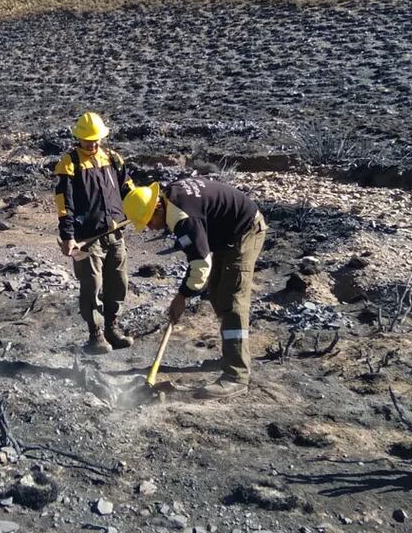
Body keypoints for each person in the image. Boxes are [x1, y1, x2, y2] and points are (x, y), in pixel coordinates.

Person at [122, 177, 266, 399]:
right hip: (226, 233)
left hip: (245, 231)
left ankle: (236, 376)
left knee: (232, 301)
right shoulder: (170, 197)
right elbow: (201, 257)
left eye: (149, 222)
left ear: (157, 207)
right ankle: (231, 354)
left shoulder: (183, 219)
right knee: (218, 294)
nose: (150, 228)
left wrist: (182, 296)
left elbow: (200, 266)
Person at [54, 112, 135, 354]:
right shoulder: (69, 163)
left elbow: (127, 188)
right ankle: (96, 334)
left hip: (115, 234)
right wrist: (68, 235)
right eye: (89, 139)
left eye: (97, 138)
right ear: (78, 137)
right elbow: (63, 204)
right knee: (92, 285)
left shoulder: (113, 158)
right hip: (87, 239)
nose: (93, 143)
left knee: (118, 283)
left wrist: (142, 206)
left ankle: (112, 327)